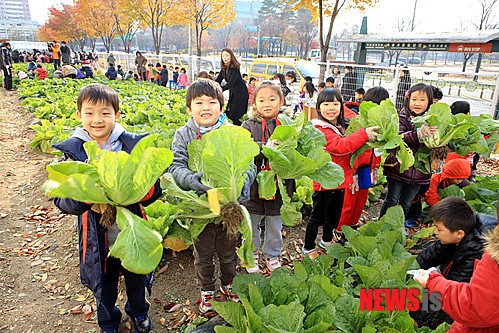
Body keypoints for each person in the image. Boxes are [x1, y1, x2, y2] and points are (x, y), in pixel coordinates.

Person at [52, 84, 162, 333]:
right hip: (97, 239)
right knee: (104, 284)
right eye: (89, 113)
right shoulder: (73, 153)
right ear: (79, 115)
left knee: (137, 279)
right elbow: (61, 198)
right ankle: (108, 321)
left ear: (117, 115)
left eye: (105, 113)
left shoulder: (132, 146)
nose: (97, 120)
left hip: (131, 229)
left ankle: (139, 314)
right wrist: (85, 199)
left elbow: (154, 187)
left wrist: (144, 191)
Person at [168, 79, 254, 313]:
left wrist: (246, 181)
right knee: (203, 253)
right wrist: (190, 179)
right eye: (199, 103)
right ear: (189, 109)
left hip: (228, 207)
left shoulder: (233, 132)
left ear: (222, 107)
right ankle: (207, 290)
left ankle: (229, 284)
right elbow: (175, 166)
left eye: (212, 102)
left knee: (228, 251)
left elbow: (249, 164)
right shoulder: (183, 135)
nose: (206, 107)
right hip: (201, 208)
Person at [302, 88, 379, 259]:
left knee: (334, 214)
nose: (331, 108)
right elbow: (341, 146)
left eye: (335, 104)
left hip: (341, 180)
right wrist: (364, 134)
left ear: (341, 106)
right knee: (317, 216)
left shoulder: (339, 126)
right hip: (325, 182)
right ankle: (308, 247)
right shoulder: (320, 129)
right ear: (318, 107)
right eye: (326, 104)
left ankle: (327, 240)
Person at [413, 197, 498, 330]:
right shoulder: (457, 233)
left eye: (439, 229)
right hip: (453, 286)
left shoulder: (475, 253)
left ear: (459, 234)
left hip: (466, 302)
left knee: (424, 312)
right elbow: (435, 252)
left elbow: (455, 292)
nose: (435, 232)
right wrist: (413, 266)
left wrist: (429, 286)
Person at [241, 81, 295, 273]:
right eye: (261, 100)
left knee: (274, 224)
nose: (267, 104)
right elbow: (244, 148)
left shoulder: (288, 125)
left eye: (272, 99)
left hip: (279, 184)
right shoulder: (247, 126)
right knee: (252, 223)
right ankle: (252, 254)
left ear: (281, 101)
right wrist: (266, 147)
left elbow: (296, 151)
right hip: (254, 185)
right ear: (254, 103)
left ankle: (272, 255)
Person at [379, 83, 436, 218]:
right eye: (414, 99)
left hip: (420, 171)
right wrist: (417, 134)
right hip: (398, 168)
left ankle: (398, 228)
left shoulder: (433, 120)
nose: (417, 103)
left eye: (422, 100)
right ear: (408, 100)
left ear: (429, 101)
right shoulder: (402, 117)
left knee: (406, 202)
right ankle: (381, 225)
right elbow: (398, 138)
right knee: (391, 199)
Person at [337, 87, 388, 233]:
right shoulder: (353, 121)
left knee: (360, 200)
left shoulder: (379, 123)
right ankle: (340, 230)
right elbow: (350, 148)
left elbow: (377, 148)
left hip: (367, 167)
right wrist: (352, 171)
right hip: (353, 168)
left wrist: (375, 166)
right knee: (348, 202)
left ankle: (352, 225)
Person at [215, 48, 249, 125]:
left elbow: (230, 83)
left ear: (231, 57)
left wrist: (219, 89)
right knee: (229, 112)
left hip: (240, 93)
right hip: (233, 92)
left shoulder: (235, 69)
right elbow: (218, 80)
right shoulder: (224, 69)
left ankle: (243, 128)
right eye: (223, 56)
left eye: (227, 56)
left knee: (234, 114)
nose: (225, 58)